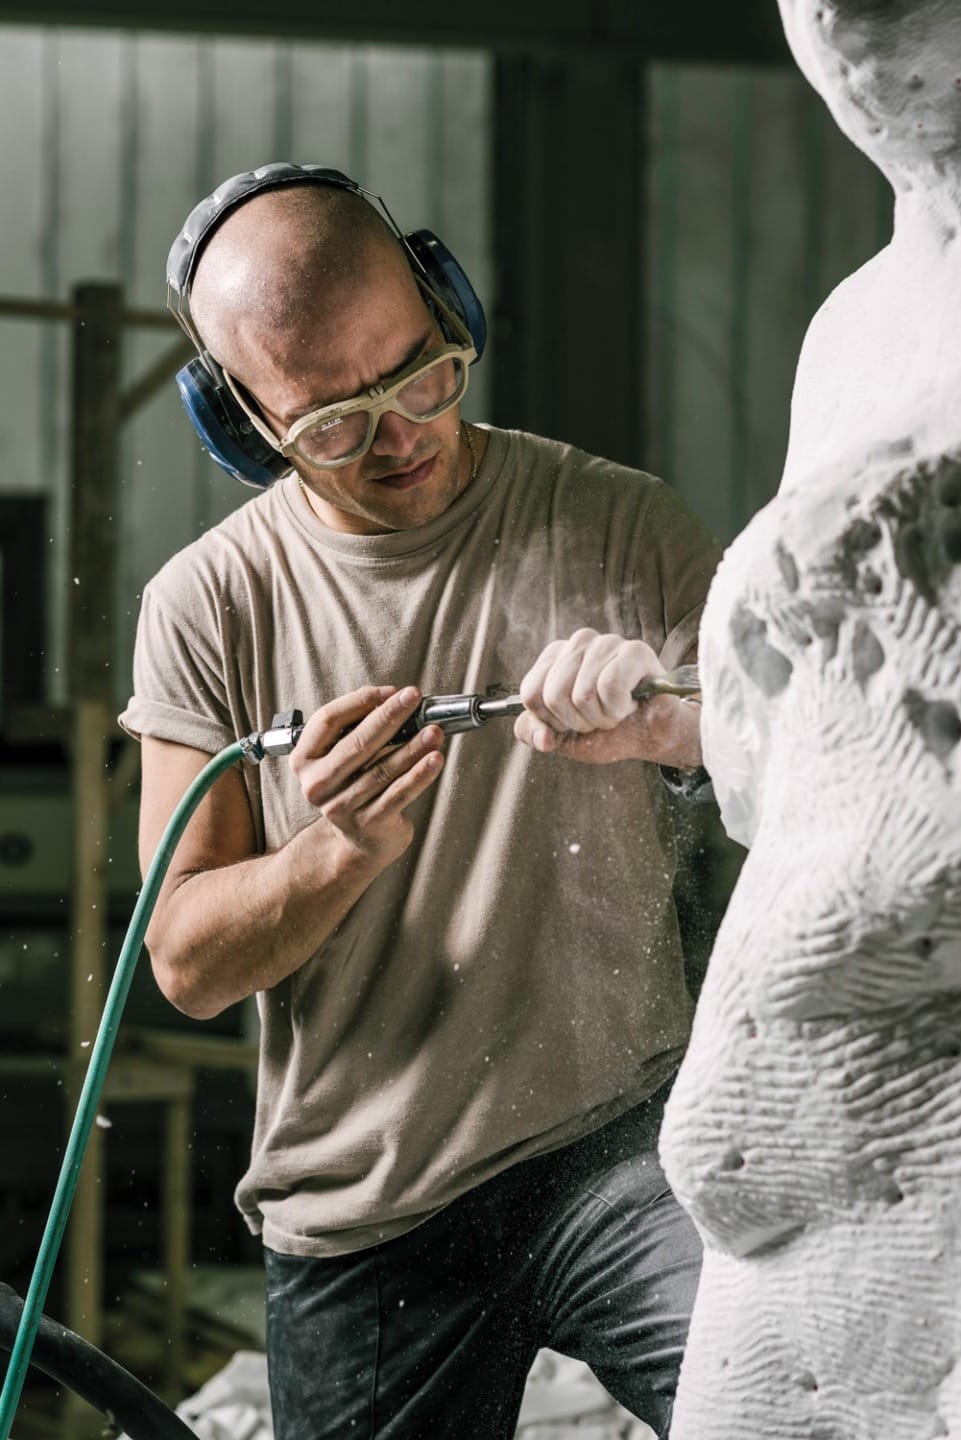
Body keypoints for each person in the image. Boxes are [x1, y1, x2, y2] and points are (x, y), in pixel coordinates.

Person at [120, 163, 720, 1440]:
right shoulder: (206, 607)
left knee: (801, 1399)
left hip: (620, 1144)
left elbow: (828, 763)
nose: (397, 435)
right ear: (240, 423)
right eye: (329, 421)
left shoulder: (623, 525)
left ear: (448, 311)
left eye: (418, 375)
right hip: (365, 1199)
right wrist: (333, 851)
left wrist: (680, 725)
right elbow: (185, 964)